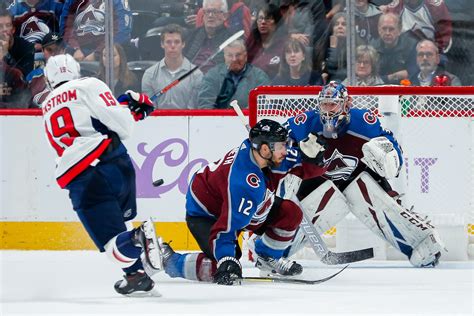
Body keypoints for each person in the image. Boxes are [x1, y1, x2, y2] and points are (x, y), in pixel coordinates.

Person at [283, 81, 445, 268]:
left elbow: (392, 150)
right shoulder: (304, 122)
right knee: (292, 201)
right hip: (318, 180)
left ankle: (421, 244)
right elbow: (277, 142)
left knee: (373, 194)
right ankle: (273, 250)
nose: (327, 110)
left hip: (358, 177)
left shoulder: (364, 123)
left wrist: (389, 156)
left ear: (346, 104)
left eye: (332, 104)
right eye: (324, 104)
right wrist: (295, 151)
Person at [41, 54, 163, 296]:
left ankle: (139, 238)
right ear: (76, 71)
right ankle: (136, 276)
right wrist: (130, 110)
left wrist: (124, 111)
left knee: (112, 246)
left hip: (85, 179)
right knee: (120, 228)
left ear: (49, 80)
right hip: (116, 163)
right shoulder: (89, 84)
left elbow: (82, 129)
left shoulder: (46, 106)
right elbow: (121, 125)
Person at [161, 119, 306, 285]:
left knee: (289, 213)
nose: (285, 150)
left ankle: (268, 258)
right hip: (207, 214)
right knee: (224, 264)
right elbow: (226, 227)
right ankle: (172, 261)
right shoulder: (243, 180)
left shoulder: (260, 154)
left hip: (234, 204)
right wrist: (226, 259)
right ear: (265, 149)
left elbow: (301, 166)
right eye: (281, 145)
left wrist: (313, 159)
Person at [141, 24, 203, 109]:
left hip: (187, 121)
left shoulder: (196, 75)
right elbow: (149, 109)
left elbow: (193, 109)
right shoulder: (149, 74)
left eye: (177, 42)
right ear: (162, 44)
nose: (173, 46)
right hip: (157, 121)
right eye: (168, 42)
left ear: (183, 44)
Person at [198, 39, 270, 109]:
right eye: (230, 55)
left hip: (248, 119)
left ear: (246, 56)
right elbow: (205, 102)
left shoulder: (259, 76)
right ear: (224, 56)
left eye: (238, 55)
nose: (234, 59)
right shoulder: (212, 75)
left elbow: (263, 104)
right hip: (219, 120)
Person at [184, 0, 232, 74]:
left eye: (215, 12)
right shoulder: (193, 35)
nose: (210, 15)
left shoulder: (232, 40)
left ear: (225, 16)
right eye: (207, 11)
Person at [370, 13, 418, 85]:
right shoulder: (372, 48)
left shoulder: (411, 46)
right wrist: (392, 77)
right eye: (384, 28)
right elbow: (370, 78)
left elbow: (413, 74)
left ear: (399, 30)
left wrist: (383, 78)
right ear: (378, 29)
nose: (387, 33)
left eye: (391, 29)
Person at [245, 4, 288, 79]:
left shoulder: (284, 44)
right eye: (260, 18)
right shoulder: (252, 40)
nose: (263, 22)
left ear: (277, 22)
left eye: (268, 18)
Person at [27, 31, 65, 107]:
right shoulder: (33, 76)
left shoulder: (74, 75)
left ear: (63, 51)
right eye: (49, 50)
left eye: (58, 50)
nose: (54, 53)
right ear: (42, 51)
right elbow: (24, 103)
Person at [0, 7, 35, 77]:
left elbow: (25, 77)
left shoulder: (27, 47)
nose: (4, 30)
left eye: (8, 25)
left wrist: (6, 54)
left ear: (13, 30)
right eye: (0, 26)